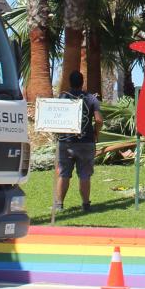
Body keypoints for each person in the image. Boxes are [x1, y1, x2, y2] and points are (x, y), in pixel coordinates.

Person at [54, 70, 104, 213]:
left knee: (63, 173)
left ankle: (59, 205)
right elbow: (99, 120)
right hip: (86, 142)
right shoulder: (91, 98)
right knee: (84, 175)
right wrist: (95, 133)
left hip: (66, 142)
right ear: (82, 83)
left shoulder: (63, 97)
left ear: (70, 82)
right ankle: (86, 205)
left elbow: (55, 117)